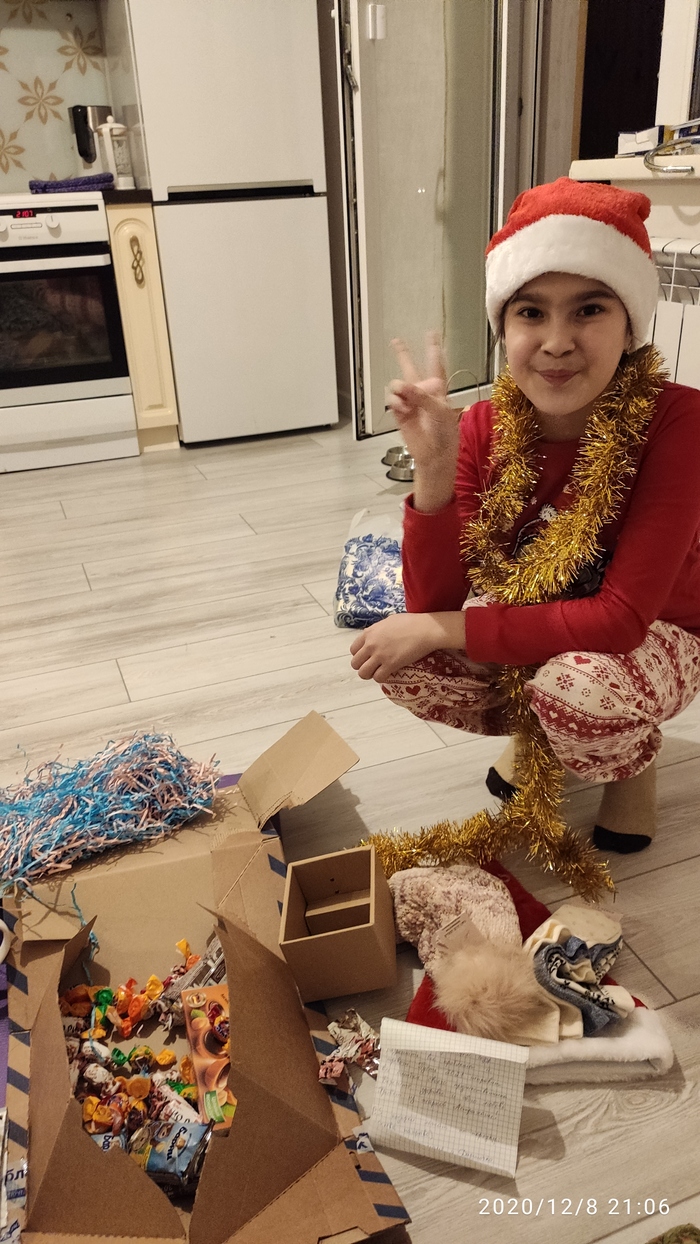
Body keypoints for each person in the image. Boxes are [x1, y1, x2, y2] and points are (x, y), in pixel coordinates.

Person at [349, 177, 700, 855]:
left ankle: (632, 761)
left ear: (631, 325)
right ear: (503, 329)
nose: (557, 342)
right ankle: (538, 730)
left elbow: (620, 619)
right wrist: (434, 468)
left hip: (661, 630)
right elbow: (437, 601)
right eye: (531, 312)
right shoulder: (483, 425)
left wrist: (439, 625)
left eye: (589, 309)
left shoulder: (679, 421)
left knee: (577, 689)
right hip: (540, 611)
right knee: (403, 656)